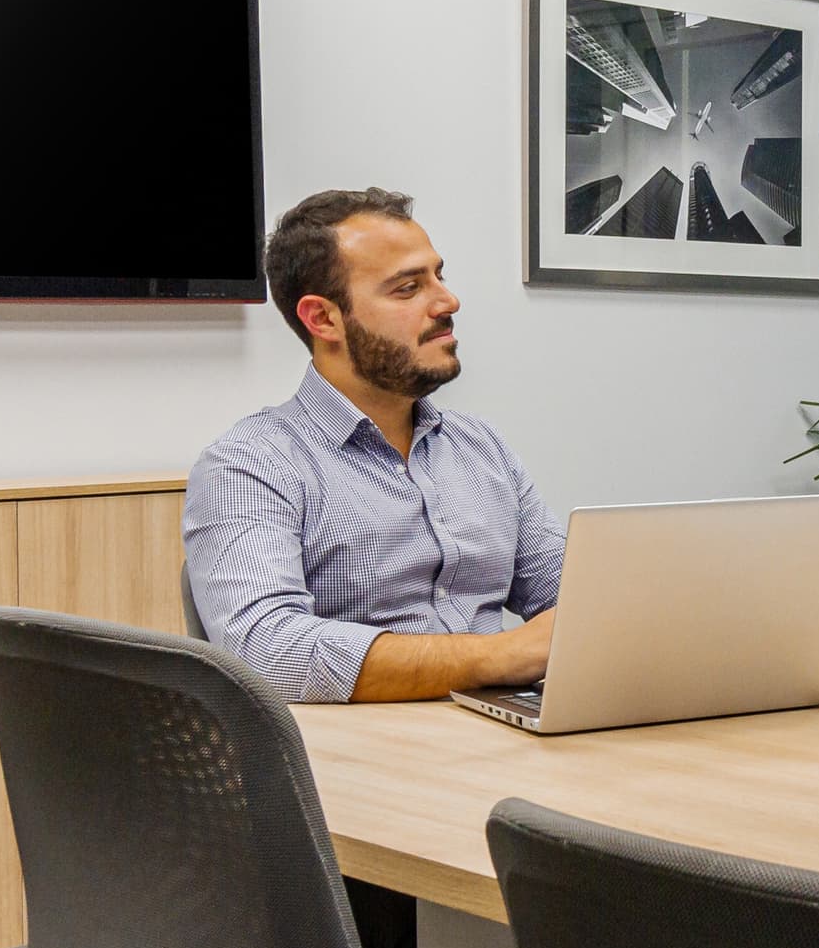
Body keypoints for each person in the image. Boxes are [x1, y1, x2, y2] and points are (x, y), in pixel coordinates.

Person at [186, 187, 562, 704]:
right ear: (323, 319)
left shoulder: (481, 447)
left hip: (503, 727)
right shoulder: (249, 464)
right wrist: (499, 656)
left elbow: (575, 599)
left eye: (439, 276)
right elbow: (266, 651)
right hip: (365, 744)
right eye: (408, 288)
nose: (447, 302)